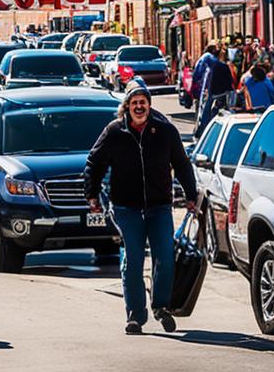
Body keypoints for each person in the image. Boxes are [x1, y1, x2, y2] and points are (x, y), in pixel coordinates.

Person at [84, 81, 197, 334]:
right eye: (134, 103)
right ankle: (135, 315)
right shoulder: (114, 132)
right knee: (133, 260)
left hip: (159, 206)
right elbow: (95, 161)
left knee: (165, 258)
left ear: (148, 104)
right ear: (127, 106)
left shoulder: (165, 131)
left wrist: (191, 194)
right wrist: (91, 194)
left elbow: (181, 163)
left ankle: (160, 306)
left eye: (142, 102)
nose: (138, 106)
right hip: (126, 208)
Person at [196, 48, 236, 135]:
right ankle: (206, 129)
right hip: (220, 93)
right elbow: (229, 81)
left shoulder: (214, 66)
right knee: (216, 111)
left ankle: (203, 130)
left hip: (214, 92)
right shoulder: (222, 66)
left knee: (207, 112)